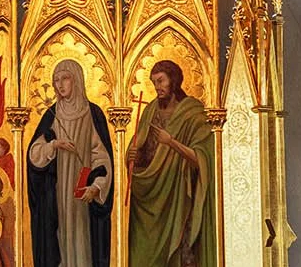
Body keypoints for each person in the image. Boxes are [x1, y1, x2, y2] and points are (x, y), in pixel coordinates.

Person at [126, 60, 215, 267]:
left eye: (161, 81)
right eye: (153, 82)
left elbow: (203, 158)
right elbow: (142, 153)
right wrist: (134, 156)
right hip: (151, 196)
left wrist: (171, 143)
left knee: (182, 252)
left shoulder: (193, 113)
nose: (157, 87)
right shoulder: (149, 111)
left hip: (180, 195)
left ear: (173, 80)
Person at [27, 59, 113, 267]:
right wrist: (54, 145)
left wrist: (96, 187)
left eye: (65, 78)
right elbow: (34, 154)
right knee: (59, 238)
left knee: (83, 238)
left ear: (77, 80)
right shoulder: (52, 115)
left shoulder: (92, 114)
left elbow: (101, 157)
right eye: (56, 80)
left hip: (82, 192)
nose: (60, 85)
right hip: (57, 192)